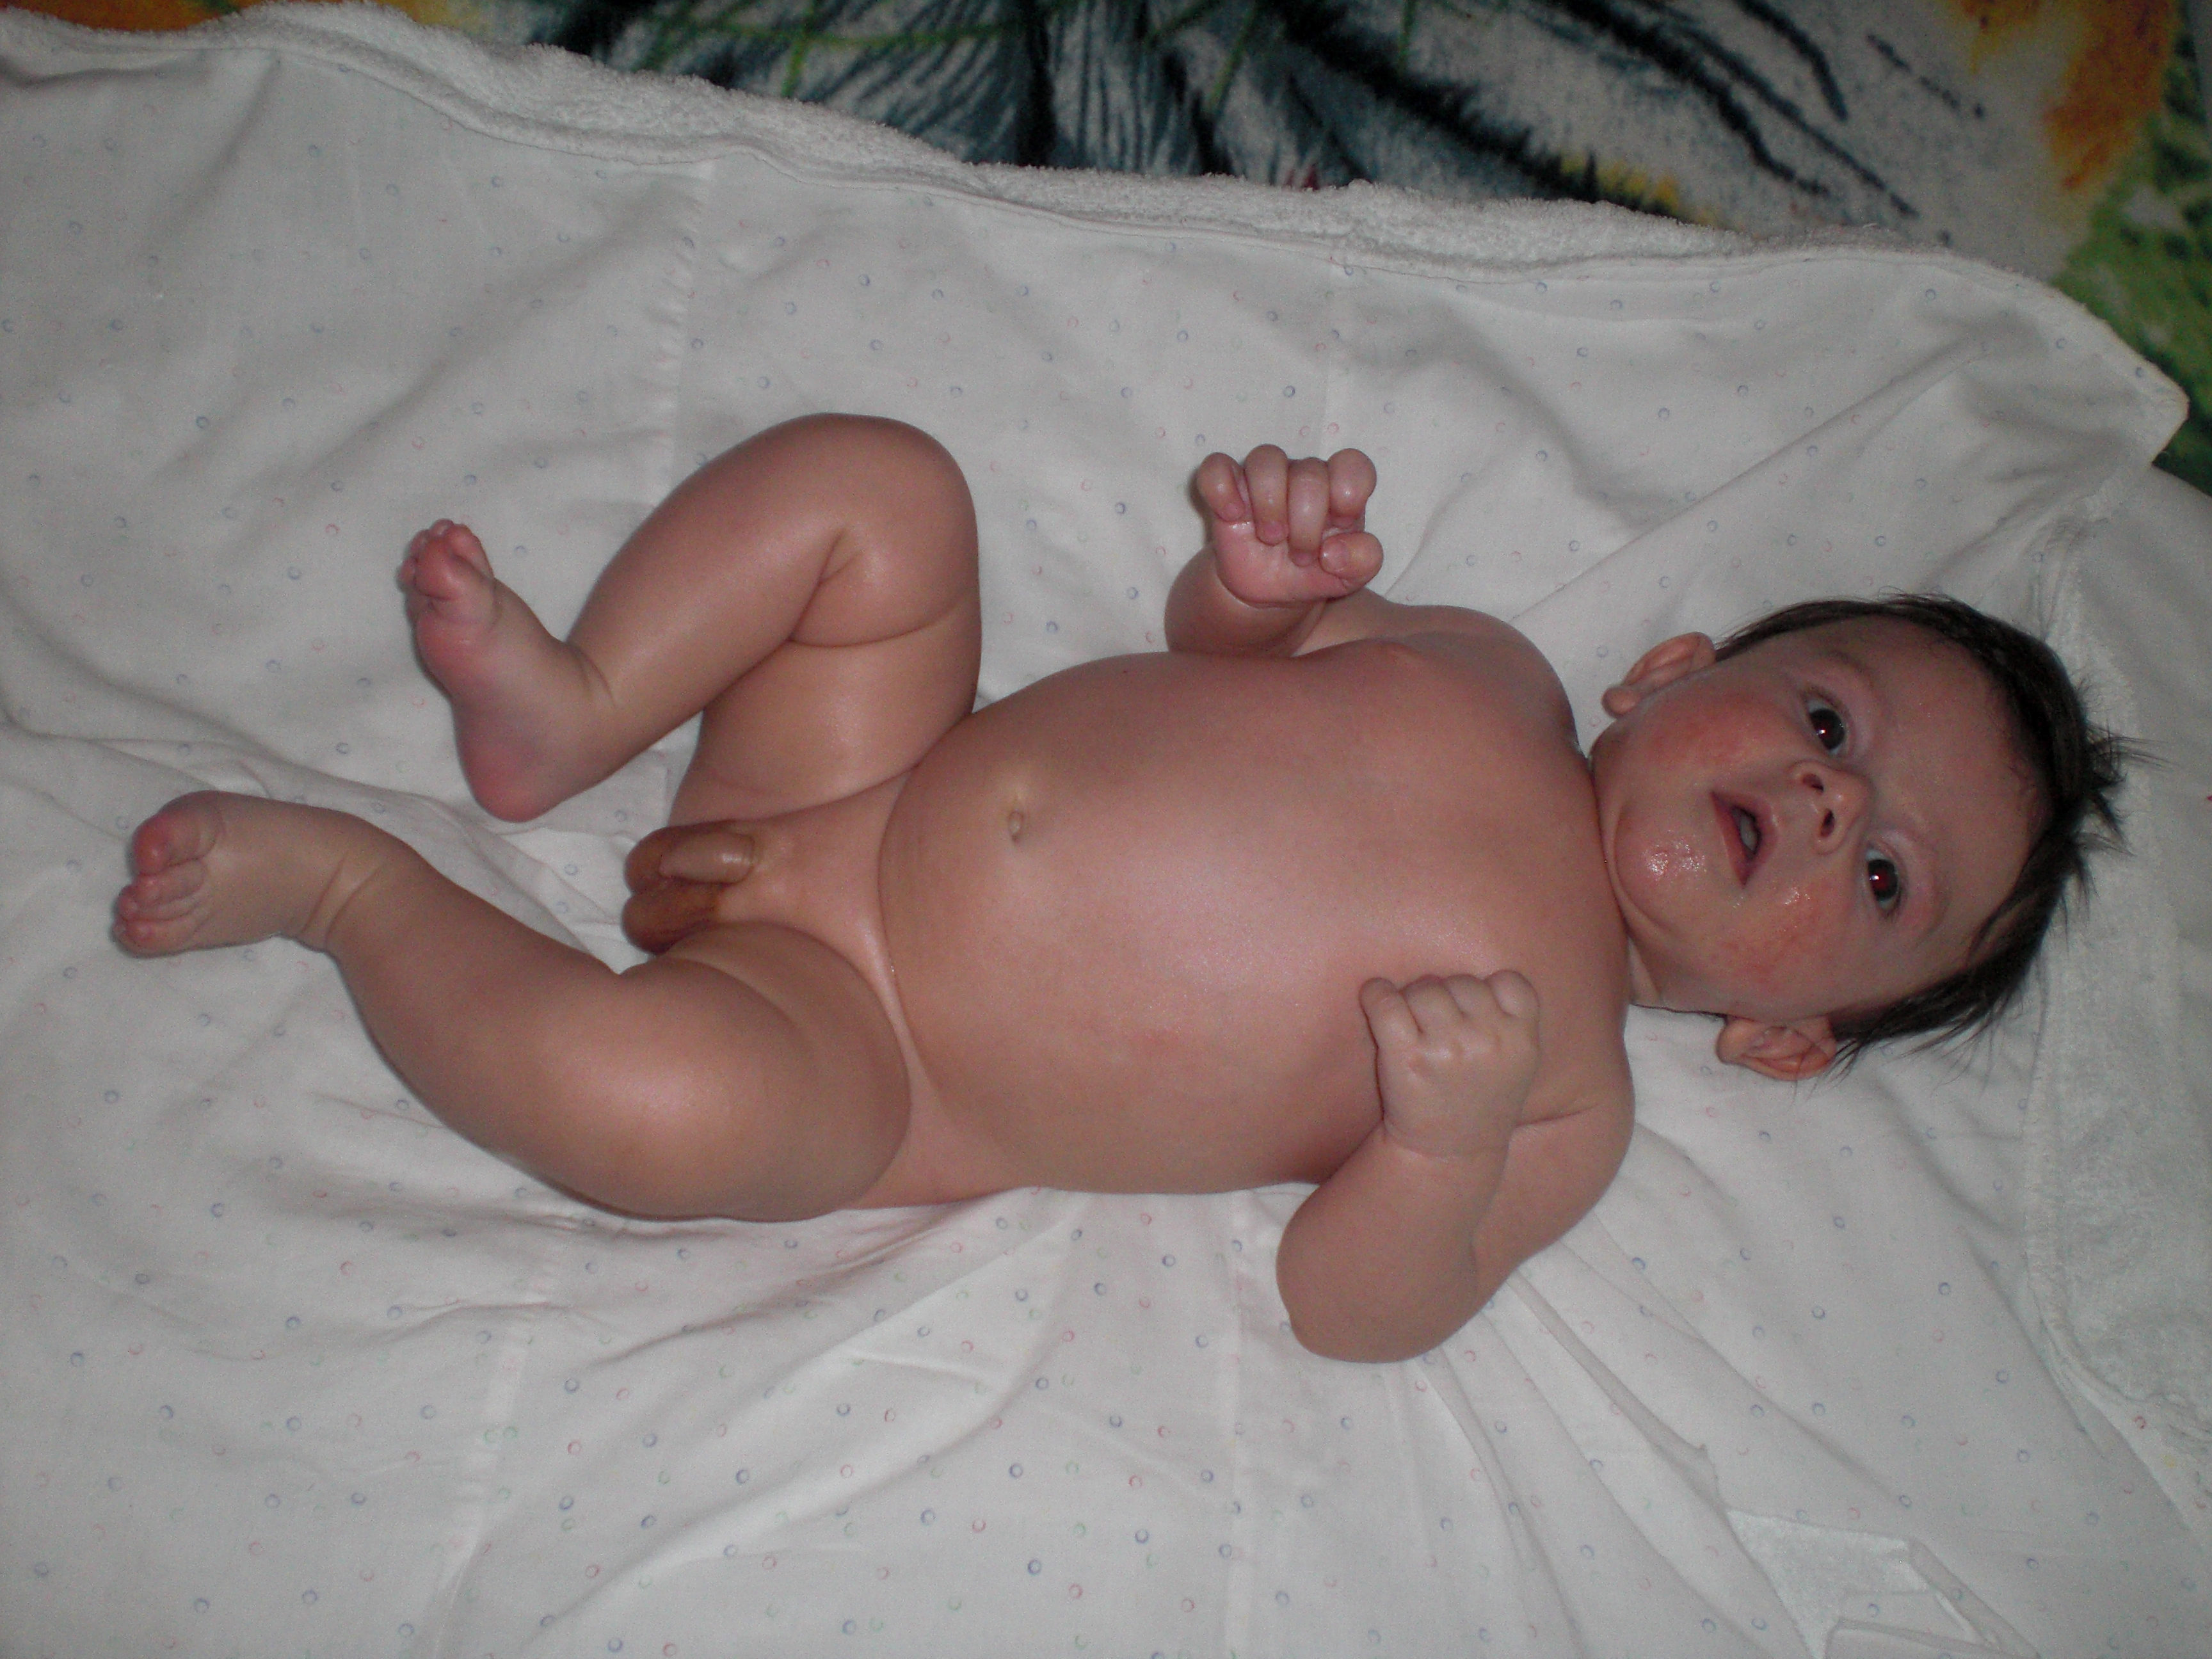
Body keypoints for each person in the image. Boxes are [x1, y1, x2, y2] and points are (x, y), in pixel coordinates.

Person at [109, 415, 2122, 1361]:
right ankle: (576, 708)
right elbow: (1225, 656)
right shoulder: (1489, 668)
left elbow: (1353, 1313)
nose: (1822, 797)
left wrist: (1439, 1145)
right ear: (1671, 675)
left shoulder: (1562, 1100)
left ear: (1791, 1037)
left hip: (870, 1046)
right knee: (885, 489)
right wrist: (1253, 588)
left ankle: (354, 895)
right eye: (1829, 720)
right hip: (872, 761)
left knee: (658, 1120)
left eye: (1882, 874)